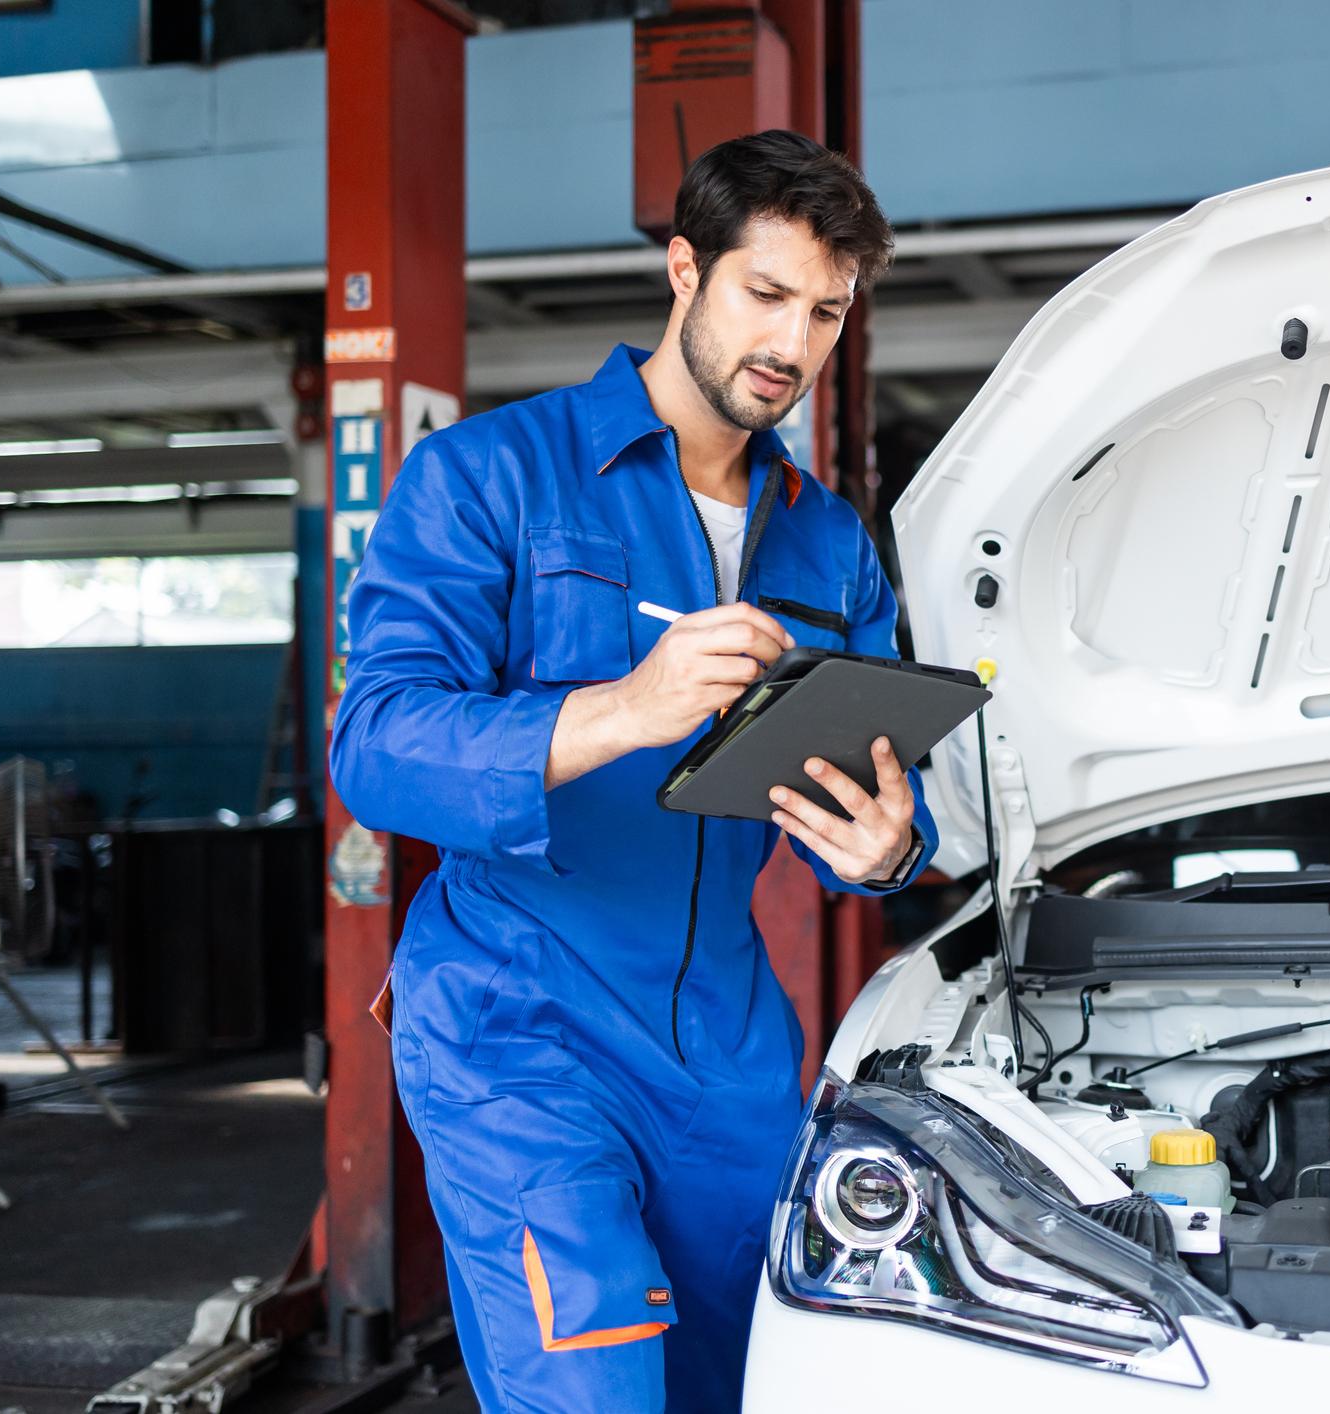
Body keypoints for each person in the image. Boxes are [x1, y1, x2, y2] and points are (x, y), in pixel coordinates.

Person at [329, 130, 934, 1413]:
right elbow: (375, 745)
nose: (796, 342)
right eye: (767, 295)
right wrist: (622, 707)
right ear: (684, 270)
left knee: (751, 1381)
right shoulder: (489, 477)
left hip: (729, 1050)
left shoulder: (830, 545)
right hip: (517, 1023)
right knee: (597, 1387)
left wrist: (892, 846)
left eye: (826, 311)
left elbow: (893, 783)